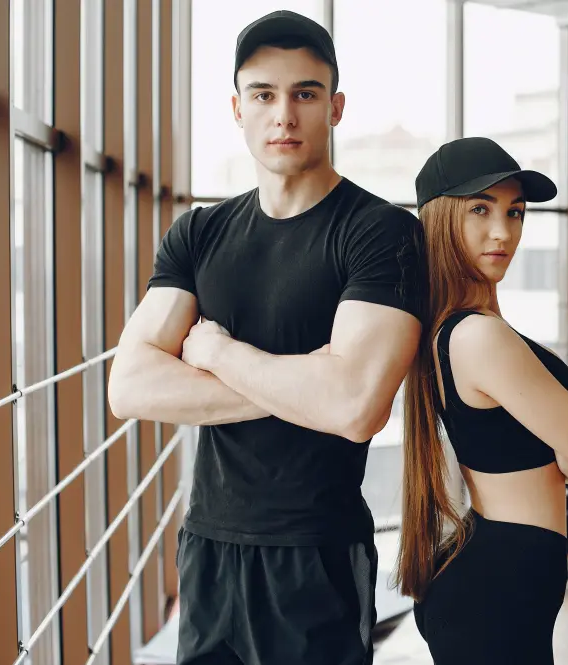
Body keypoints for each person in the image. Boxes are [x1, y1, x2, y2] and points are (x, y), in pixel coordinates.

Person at [107, 10, 424, 665]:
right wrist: (308, 383)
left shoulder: (379, 233)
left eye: (305, 94)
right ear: (237, 107)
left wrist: (220, 354)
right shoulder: (198, 234)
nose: (284, 114)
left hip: (316, 551)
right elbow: (130, 385)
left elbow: (355, 408)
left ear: (335, 108)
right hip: (208, 547)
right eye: (264, 94)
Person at [392, 137, 568, 664]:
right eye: (480, 209)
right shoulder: (480, 338)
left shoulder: (463, 330)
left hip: (504, 577)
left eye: (515, 212)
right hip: (498, 588)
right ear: (440, 218)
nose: (504, 232)